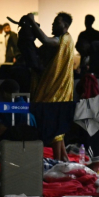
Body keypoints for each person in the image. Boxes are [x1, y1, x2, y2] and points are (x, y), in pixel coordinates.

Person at [27, 12, 74, 161]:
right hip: (59, 89)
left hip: (56, 90)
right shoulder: (65, 40)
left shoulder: (62, 40)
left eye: (57, 23)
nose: (53, 25)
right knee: (57, 127)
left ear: (65, 26)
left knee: (53, 122)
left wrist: (32, 22)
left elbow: (45, 40)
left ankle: (59, 161)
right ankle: (62, 159)